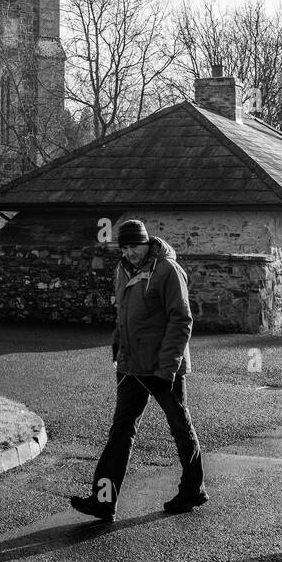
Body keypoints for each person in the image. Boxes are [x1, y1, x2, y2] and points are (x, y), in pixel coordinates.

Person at [70, 218, 207, 521]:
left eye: (135, 246)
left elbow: (181, 320)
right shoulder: (122, 270)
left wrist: (167, 369)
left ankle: (193, 490)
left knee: (180, 428)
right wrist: (117, 345)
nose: (131, 252)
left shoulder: (168, 270)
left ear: (147, 243)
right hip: (132, 367)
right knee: (120, 432)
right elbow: (123, 313)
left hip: (162, 369)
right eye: (126, 247)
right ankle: (103, 500)